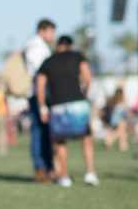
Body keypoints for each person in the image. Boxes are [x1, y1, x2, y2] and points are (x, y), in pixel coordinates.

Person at [36, 36, 99, 188]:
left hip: (57, 106)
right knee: (86, 139)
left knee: (60, 142)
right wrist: (84, 94)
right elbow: (88, 77)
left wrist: (43, 108)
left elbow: (39, 87)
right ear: (70, 46)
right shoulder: (77, 56)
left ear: (57, 46)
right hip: (78, 103)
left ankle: (64, 177)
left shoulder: (48, 61)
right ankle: (90, 172)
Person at [25, 19, 56, 183]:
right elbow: (41, 74)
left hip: (42, 94)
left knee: (45, 133)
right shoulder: (36, 48)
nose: (53, 35)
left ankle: (48, 167)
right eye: (51, 32)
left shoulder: (39, 47)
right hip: (39, 95)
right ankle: (41, 168)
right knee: (39, 132)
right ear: (41, 31)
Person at [104, 87, 130, 151]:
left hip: (113, 121)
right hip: (118, 120)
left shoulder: (114, 102)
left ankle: (123, 144)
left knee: (122, 131)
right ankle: (110, 140)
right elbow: (125, 113)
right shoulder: (121, 103)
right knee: (121, 131)